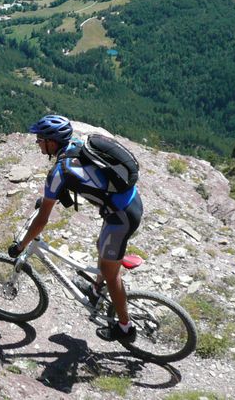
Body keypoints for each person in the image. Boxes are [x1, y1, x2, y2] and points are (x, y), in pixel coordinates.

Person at [7, 114, 143, 343]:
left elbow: (41, 221)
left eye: (40, 139)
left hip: (120, 217)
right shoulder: (77, 146)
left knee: (112, 274)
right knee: (101, 246)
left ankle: (125, 327)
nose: (38, 143)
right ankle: (96, 290)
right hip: (129, 203)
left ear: (52, 142)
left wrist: (21, 245)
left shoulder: (58, 173)